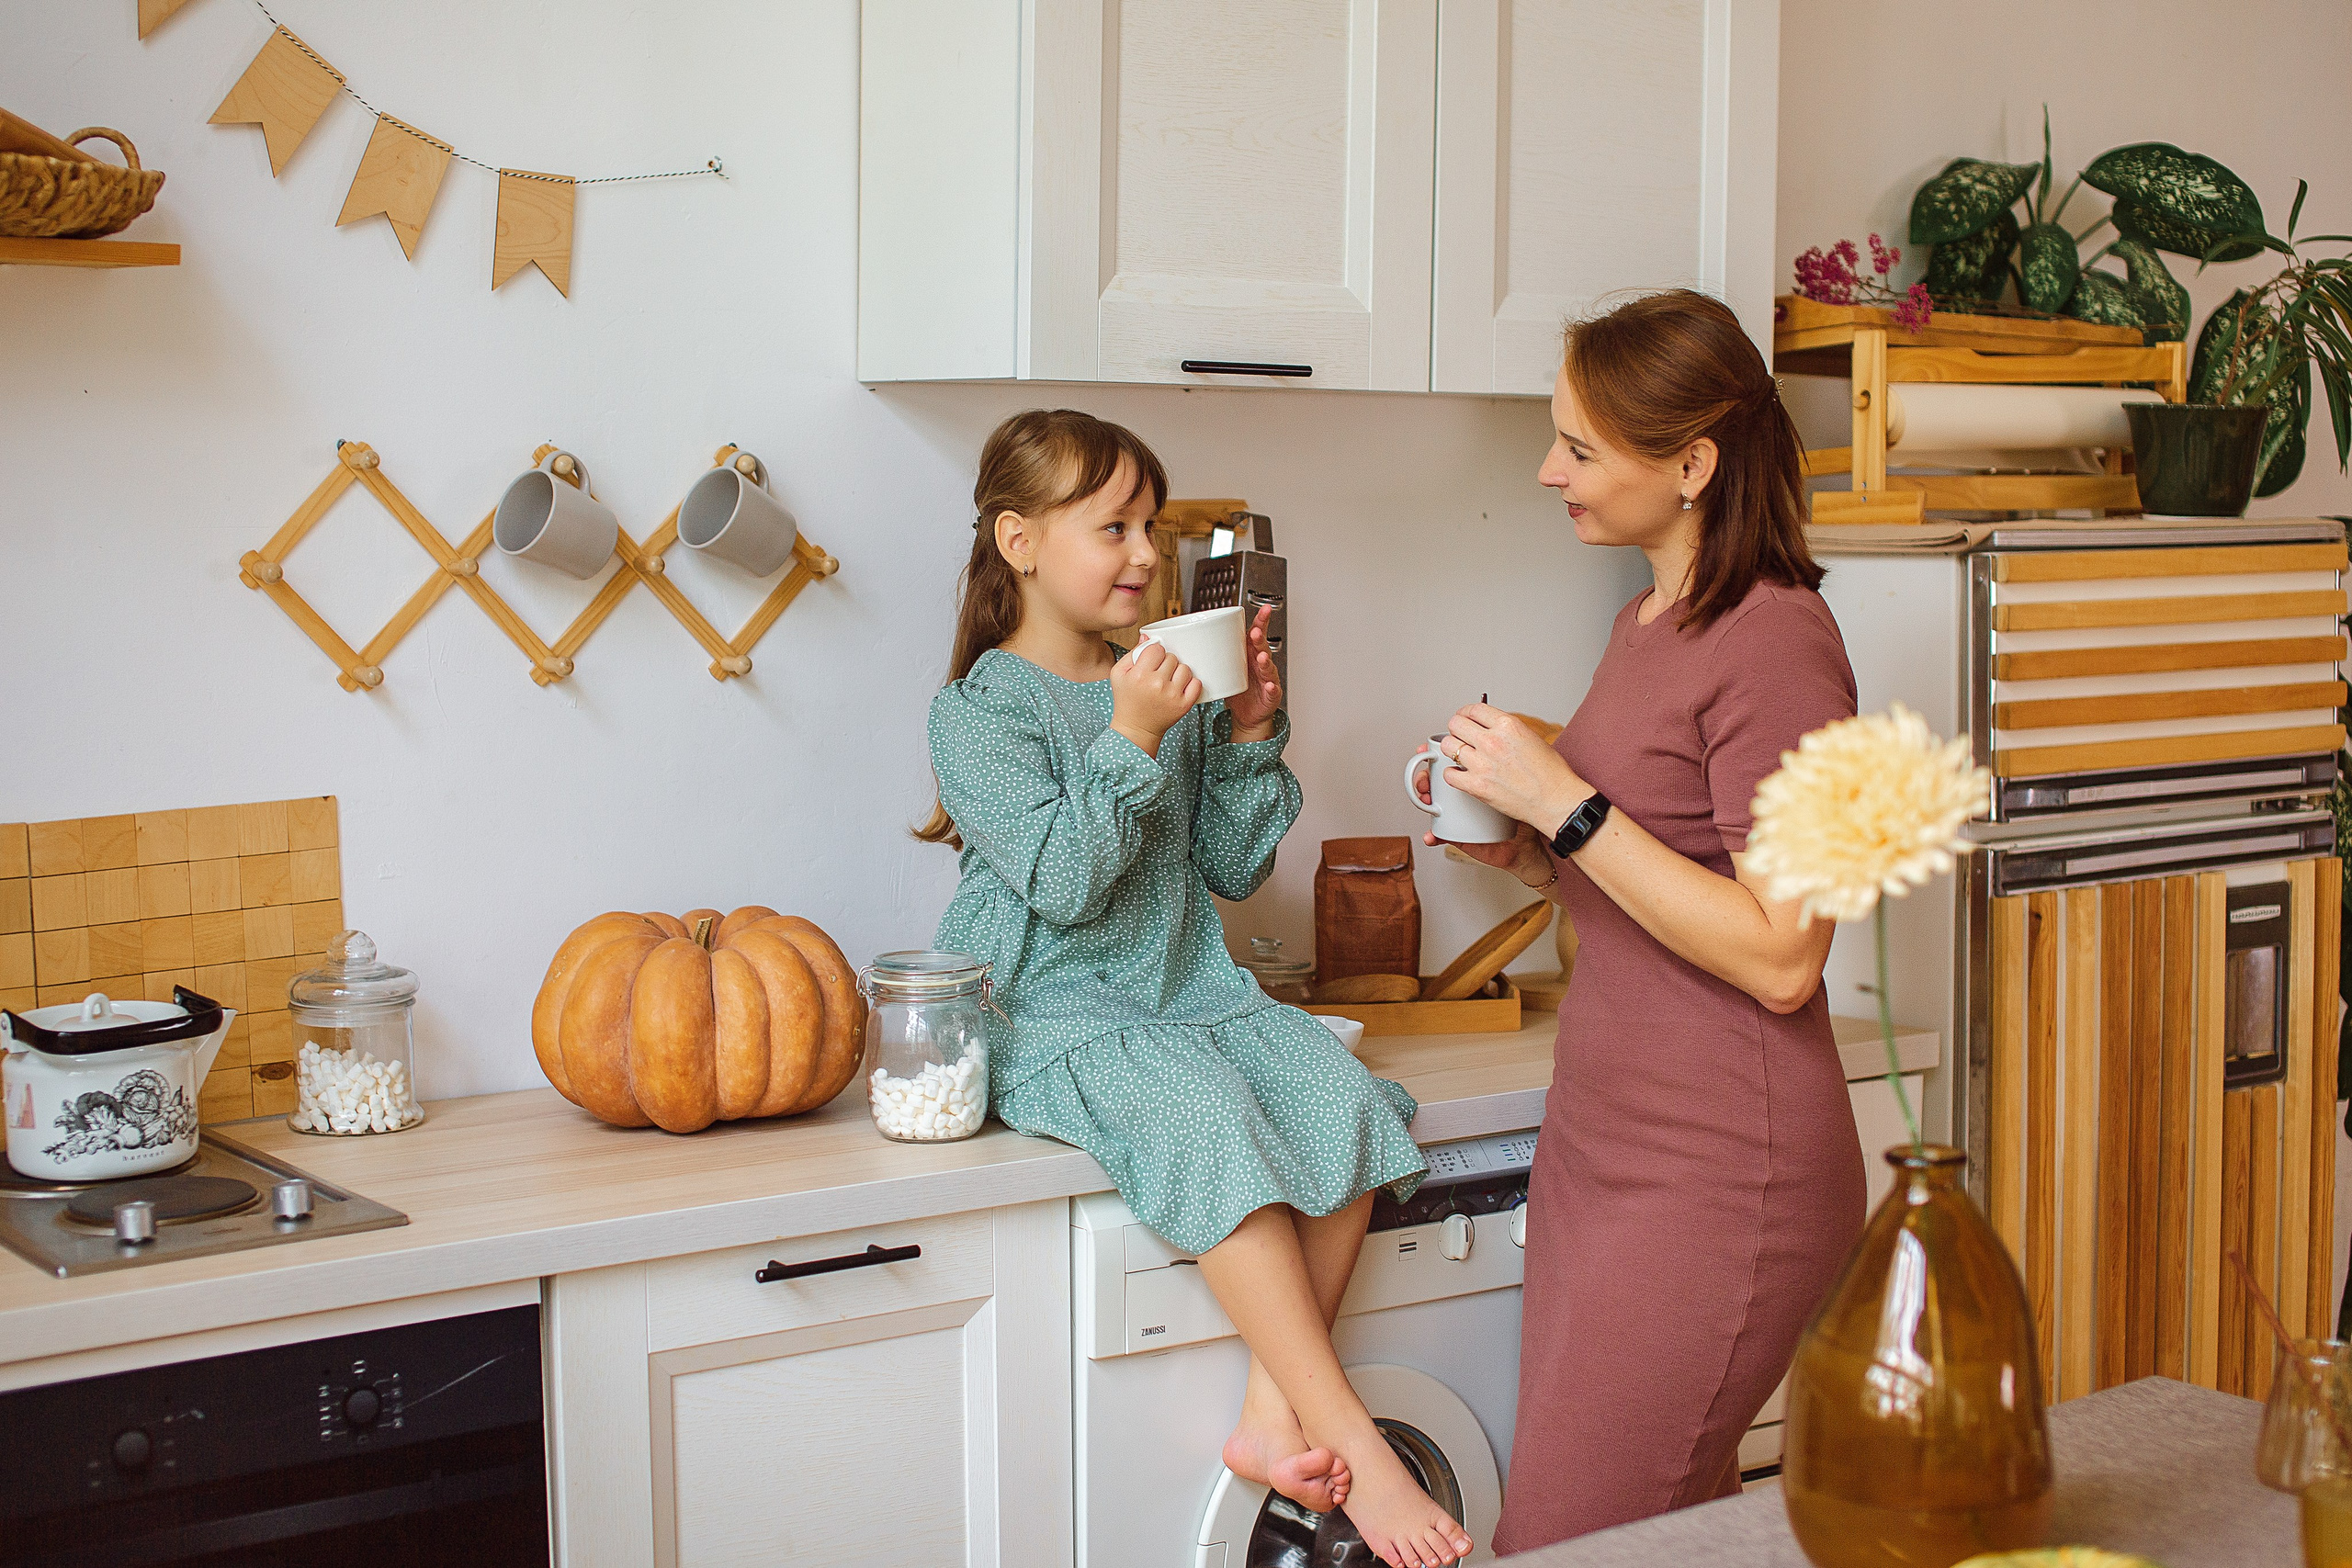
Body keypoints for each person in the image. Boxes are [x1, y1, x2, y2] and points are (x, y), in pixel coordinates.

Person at [918, 409, 1476, 1568]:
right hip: (1049, 1007)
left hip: (1182, 991)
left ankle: (1272, 1418)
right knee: (1206, 1115)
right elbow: (1064, 888)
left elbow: (1228, 867)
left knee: (1342, 1097)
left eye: (1150, 528)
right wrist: (1130, 733)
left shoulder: (1160, 683)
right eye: (1109, 527)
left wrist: (1252, 732)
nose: (1141, 555)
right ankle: (1352, 1444)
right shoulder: (981, 709)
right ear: (1017, 542)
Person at [1424, 289, 1869, 1551]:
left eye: (1579, 444)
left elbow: (1784, 950)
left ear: (1692, 462)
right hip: (1606, 1145)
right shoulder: (1646, 619)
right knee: (1659, 1536)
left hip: (1724, 1170)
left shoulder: (1779, 639)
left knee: (1566, 1542)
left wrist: (1561, 802)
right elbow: (1639, 878)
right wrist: (1517, 831)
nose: (1547, 467)